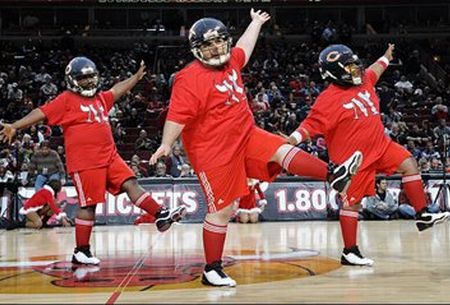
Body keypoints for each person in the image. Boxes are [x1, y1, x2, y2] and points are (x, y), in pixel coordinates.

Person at [149, 10, 362, 287]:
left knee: (281, 149)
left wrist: (256, 23)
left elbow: (243, 48)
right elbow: (177, 116)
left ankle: (333, 174)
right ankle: (211, 269)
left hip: (245, 133)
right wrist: (166, 144)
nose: (215, 48)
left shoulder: (231, 62)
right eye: (208, 45)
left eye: (219, 42)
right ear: (196, 49)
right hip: (214, 150)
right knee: (223, 210)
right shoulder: (188, 78)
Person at [0, 56, 186, 265]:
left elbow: (116, 90)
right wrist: (15, 126)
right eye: (84, 78)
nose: (89, 82)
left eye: (91, 77)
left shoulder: (99, 98)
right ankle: (81, 250)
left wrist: (134, 78)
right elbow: (41, 112)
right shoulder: (66, 99)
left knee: (131, 183)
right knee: (89, 205)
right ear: (72, 80)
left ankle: (160, 215)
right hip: (85, 162)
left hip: (110, 156)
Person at [288, 43, 450, 267]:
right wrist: (292, 140)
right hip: (353, 160)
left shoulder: (364, 79)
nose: (357, 70)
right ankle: (349, 251)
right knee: (352, 205)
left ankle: (422, 213)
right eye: (350, 67)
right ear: (335, 73)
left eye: (356, 65)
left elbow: (376, 68)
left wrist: (385, 56)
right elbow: (310, 125)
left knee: (409, 163)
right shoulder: (327, 99)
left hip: (381, 146)